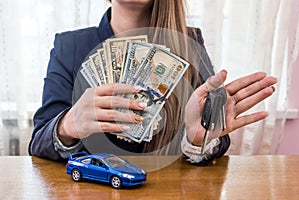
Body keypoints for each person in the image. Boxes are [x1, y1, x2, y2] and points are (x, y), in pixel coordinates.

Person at [29, 0, 277, 165]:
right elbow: (39, 139)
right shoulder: (69, 46)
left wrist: (197, 138)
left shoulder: (190, 42)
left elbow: (215, 134)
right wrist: (69, 124)